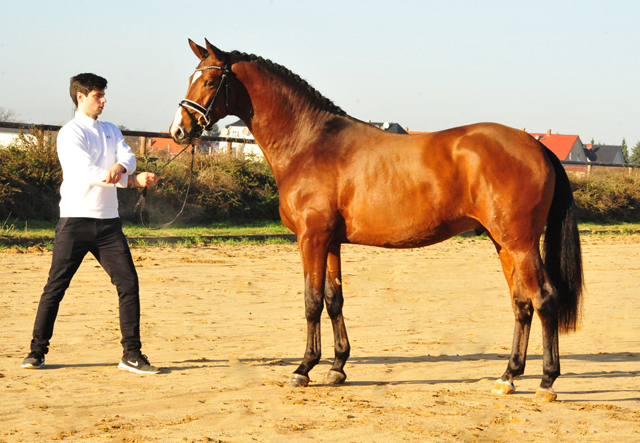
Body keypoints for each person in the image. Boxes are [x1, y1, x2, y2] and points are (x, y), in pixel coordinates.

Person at [21, 73, 160, 374]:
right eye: (98, 95)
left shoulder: (110, 129)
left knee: (128, 284)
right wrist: (131, 181)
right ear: (80, 97)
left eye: (103, 95)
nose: (104, 101)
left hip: (109, 225)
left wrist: (123, 167)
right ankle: (36, 351)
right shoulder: (70, 133)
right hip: (74, 221)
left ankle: (132, 354)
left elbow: (128, 155)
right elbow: (88, 172)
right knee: (56, 287)